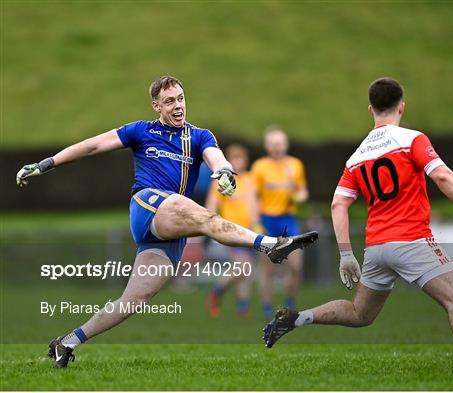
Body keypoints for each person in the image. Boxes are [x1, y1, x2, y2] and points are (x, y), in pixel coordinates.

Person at [15, 76, 318, 368]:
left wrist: (225, 171)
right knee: (204, 216)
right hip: (147, 206)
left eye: (181, 99)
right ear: (156, 106)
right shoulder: (141, 131)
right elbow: (93, 145)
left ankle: (66, 343)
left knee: (133, 301)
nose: (178, 105)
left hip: (169, 229)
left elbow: (216, 157)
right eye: (169, 101)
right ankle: (271, 245)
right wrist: (46, 164)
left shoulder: (199, 136)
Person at [262, 77, 453, 374]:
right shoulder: (412, 139)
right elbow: (443, 176)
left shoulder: (356, 157)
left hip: (376, 247)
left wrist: (346, 254)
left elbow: (338, 204)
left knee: (361, 313)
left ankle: (297, 318)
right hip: (412, 240)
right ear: (402, 107)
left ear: (370, 109)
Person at [251, 127, 309, 319]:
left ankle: (290, 302)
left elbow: (302, 191)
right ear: (267, 146)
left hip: (288, 220)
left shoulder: (295, 165)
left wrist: (299, 197)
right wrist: (255, 221)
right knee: (267, 268)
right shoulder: (259, 167)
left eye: (280, 143)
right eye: (273, 143)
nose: (277, 147)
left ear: (286, 144)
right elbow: (254, 197)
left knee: (295, 266)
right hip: (267, 220)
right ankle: (267, 306)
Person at [206, 143, 260, 318]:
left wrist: (257, 222)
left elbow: (255, 205)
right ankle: (217, 292)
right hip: (231, 230)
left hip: (250, 230)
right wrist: (214, 227)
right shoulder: (222, 181)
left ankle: (243, 307)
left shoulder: (250, 179)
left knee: (243, 270)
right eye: (235, 158)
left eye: (241, 158)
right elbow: (211, 207)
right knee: (243, 267)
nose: (238, 161)